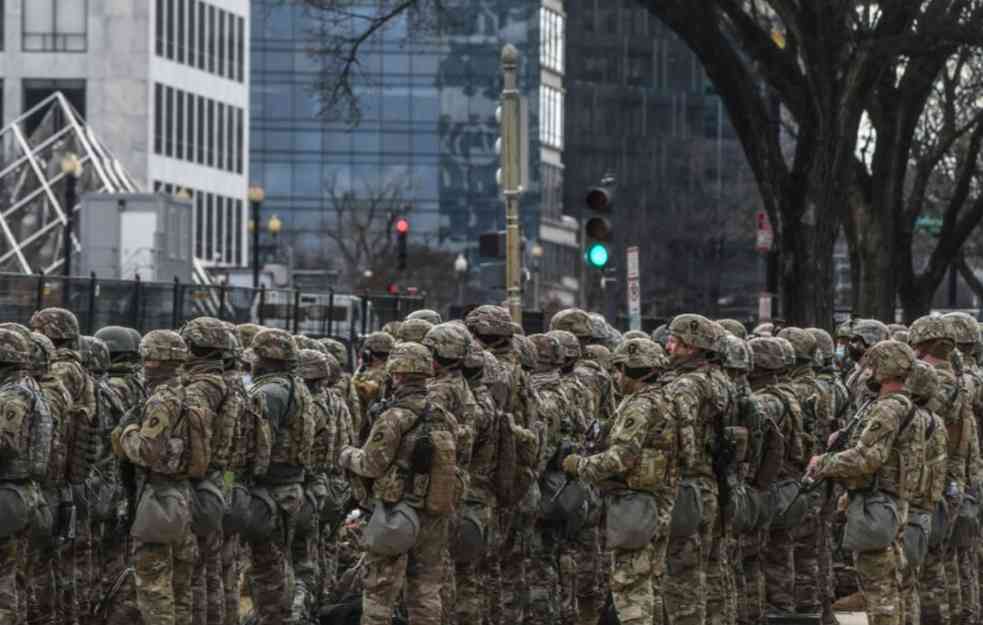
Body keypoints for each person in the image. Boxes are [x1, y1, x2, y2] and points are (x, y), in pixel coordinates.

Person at [807, 339, 922, 625]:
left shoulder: (887, 409)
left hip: (877, 504)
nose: (867, 371)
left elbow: (867, 458)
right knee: (891, 583)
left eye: (872, 366)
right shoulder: (904, 406)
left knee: (878, 587)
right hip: (891, 501)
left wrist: (823, 464)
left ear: (883, 369)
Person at [337, 342, 446, 625]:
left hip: (394, 514)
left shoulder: (393, 417)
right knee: (426, 591)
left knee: (378, 592)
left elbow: (371, 465)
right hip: (434, 511)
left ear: (396, 374)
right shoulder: (444, 415)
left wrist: (348, 455)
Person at [111, 329, 198, 625]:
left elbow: (147, 452)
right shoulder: (190, 391)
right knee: (182, 587)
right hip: (184, 496)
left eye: (146, 357)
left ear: (154, 360)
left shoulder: (162, 400)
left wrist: (127, 433)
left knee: (153, 584)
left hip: (159, 499)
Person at [662, 314, 735, 625]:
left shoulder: (686, 386)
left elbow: (682, 441)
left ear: (691, 347)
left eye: (674, 341)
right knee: (712, 566)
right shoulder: (722, 381)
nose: (668, 346)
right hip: (716, 484)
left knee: (682, 574)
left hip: (689, 486)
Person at [29, 307, 99, 617]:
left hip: (52, 479)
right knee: (61, 564)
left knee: (44, 565)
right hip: (69, 478)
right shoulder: (79, 369)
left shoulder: (60, 372)